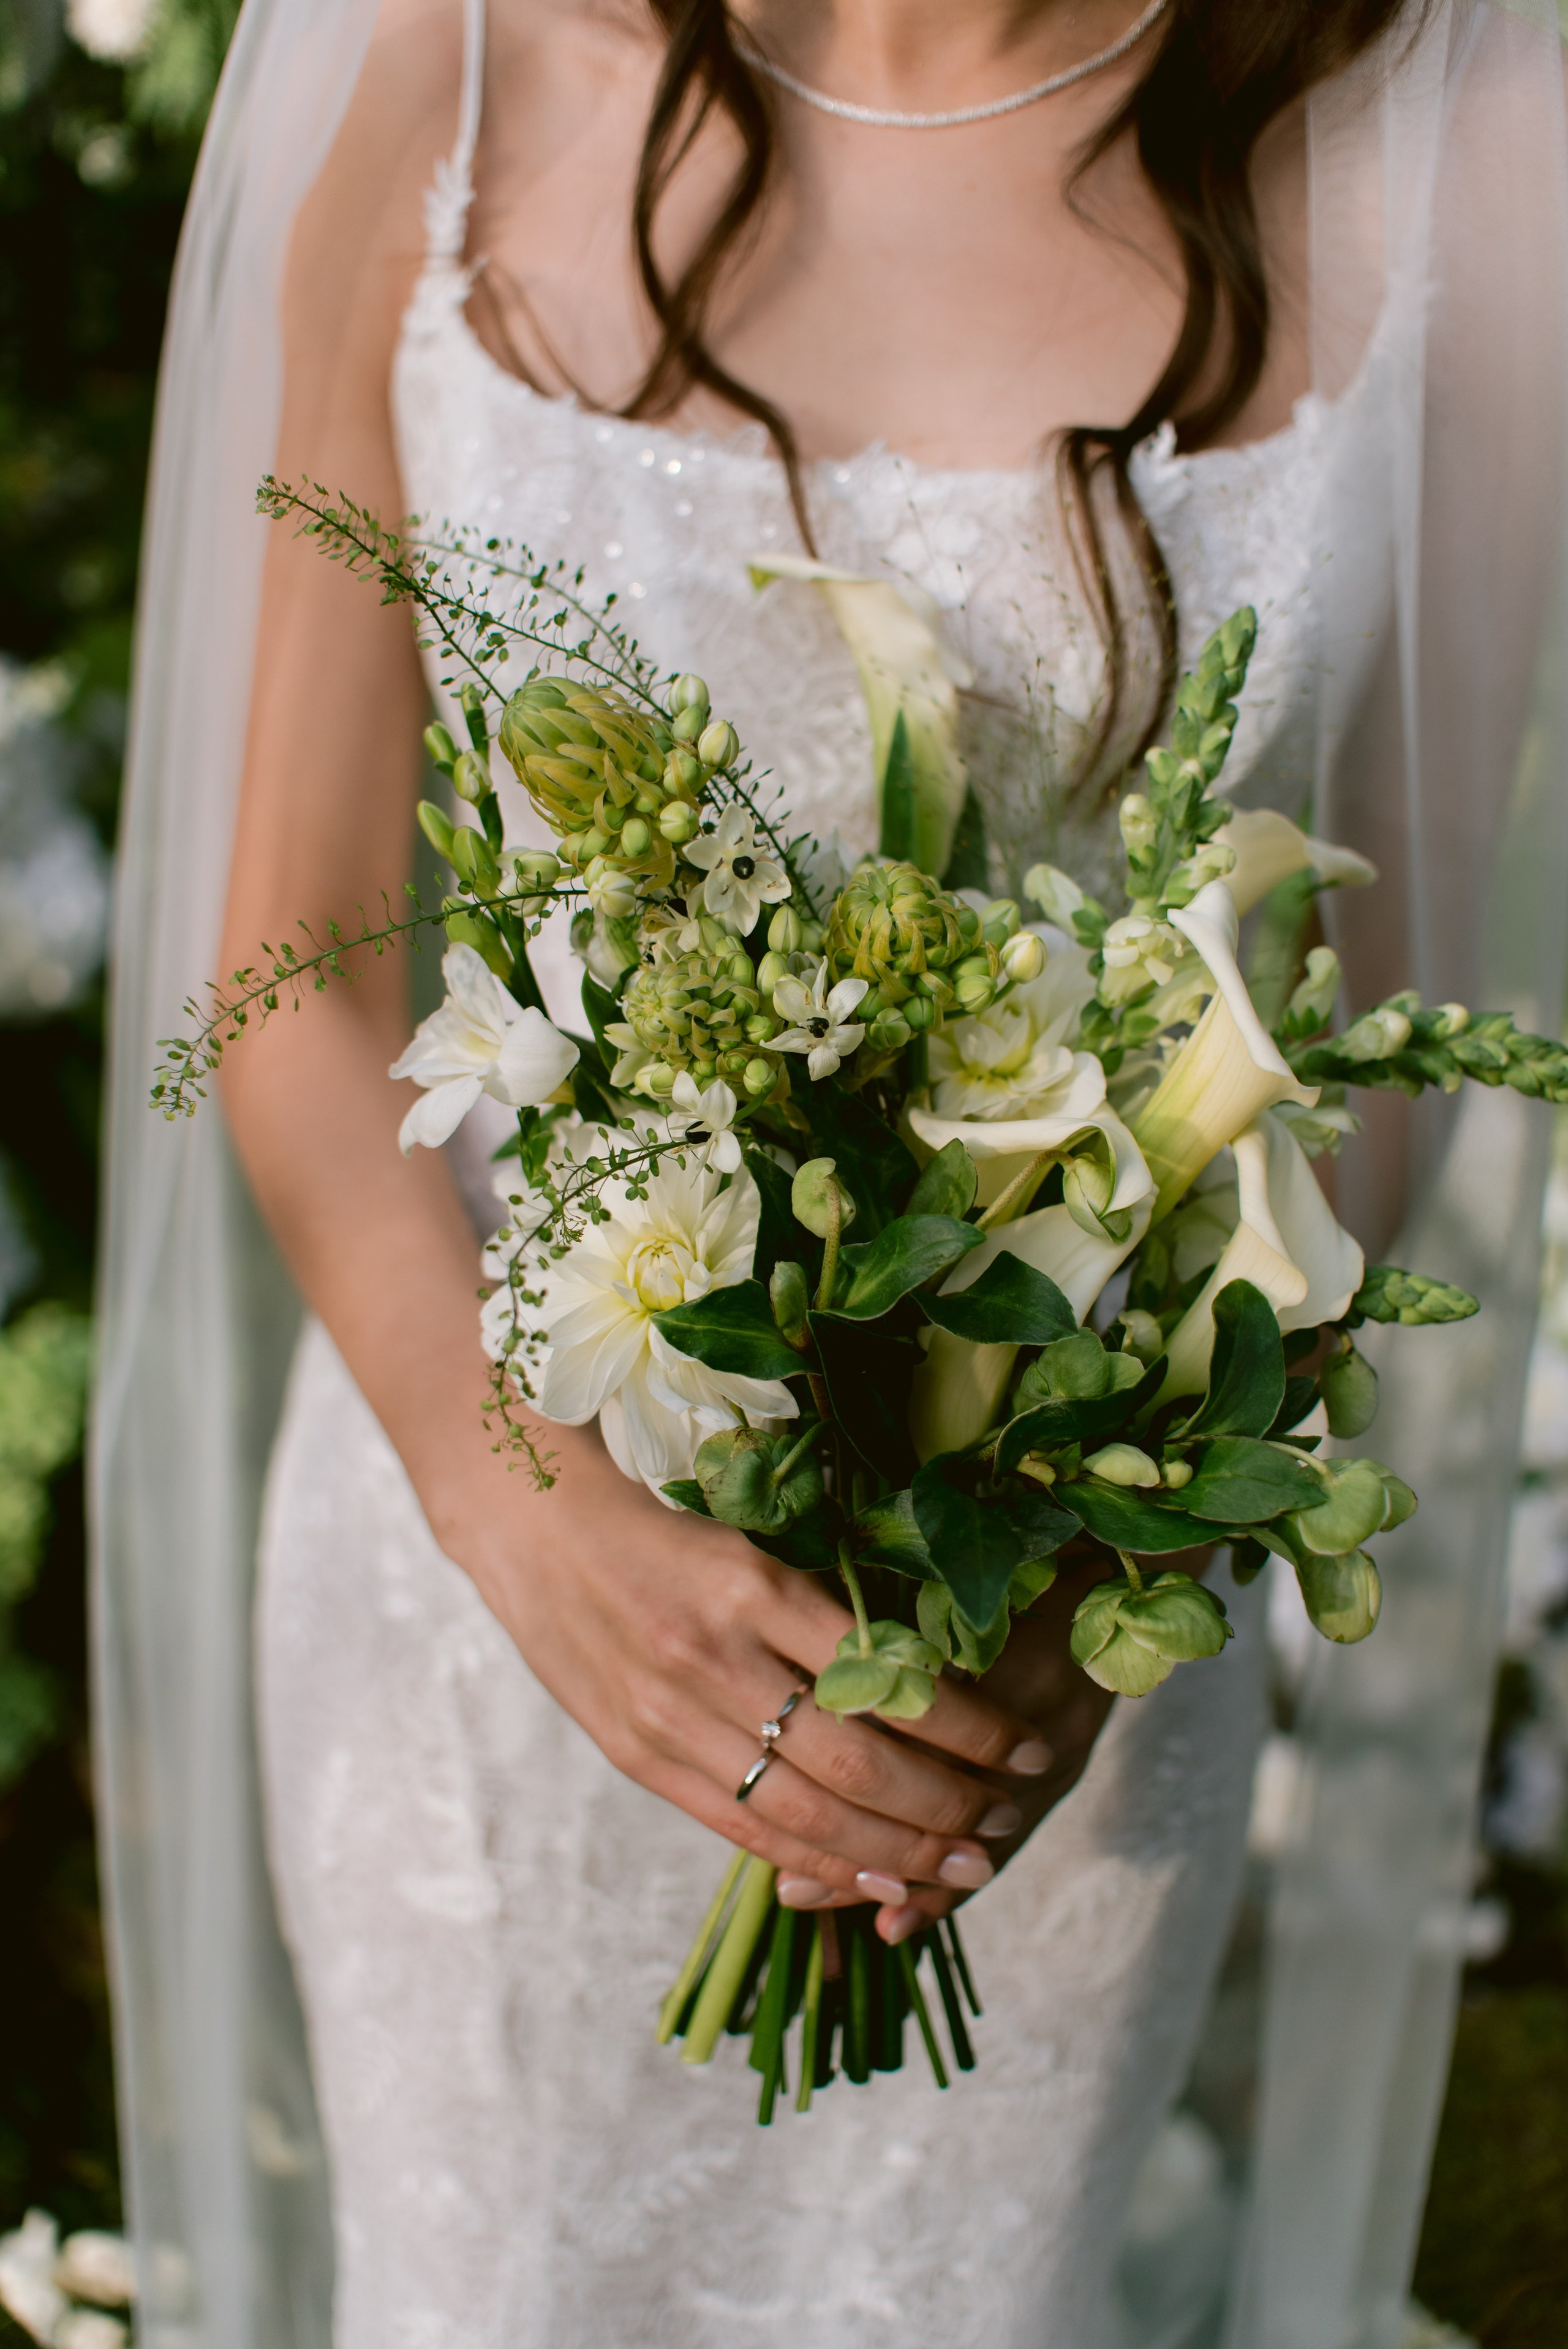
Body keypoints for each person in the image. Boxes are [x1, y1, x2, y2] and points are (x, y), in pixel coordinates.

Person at [92, 2, 1568, 2344]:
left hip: (1030, 1683)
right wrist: (524, 1512)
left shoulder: (1454, 131)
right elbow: (290, 966)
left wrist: (1091, 1554)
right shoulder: (452, 59)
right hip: (480, 1602)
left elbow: (1376, 1031)